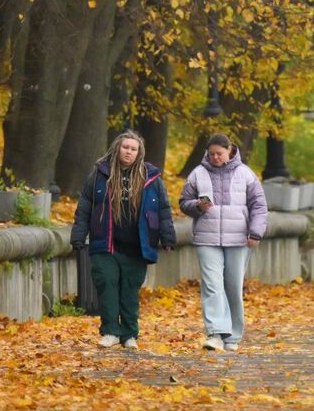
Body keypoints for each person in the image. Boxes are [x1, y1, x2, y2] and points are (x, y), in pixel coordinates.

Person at [71, 130, 177, 349]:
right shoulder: (100, 175)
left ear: (139, 153)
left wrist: (168, 237)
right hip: (105, 243)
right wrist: (78, 237)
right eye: (125, 147)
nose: (128, 152)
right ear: (117, 148)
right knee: (106, 284)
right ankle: (110, 330)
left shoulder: (151, 178)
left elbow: (163, 209)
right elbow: (83, 209)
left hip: (137, 245)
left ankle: (129, 334)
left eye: (133, 149)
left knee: (129, 289)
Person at [180, 133, 268, 352]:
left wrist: (255, 232)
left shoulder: (245, 174)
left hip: (238, 239)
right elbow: (183, 203)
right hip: (207, 238)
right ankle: (215, 333)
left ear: (230, 150)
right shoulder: (198, 174)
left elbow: (259, 205)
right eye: (211, 154)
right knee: (211, 285)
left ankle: (233, 335)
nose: (215, 158)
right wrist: (197, 206)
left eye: (219, 153)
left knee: (232, 286)